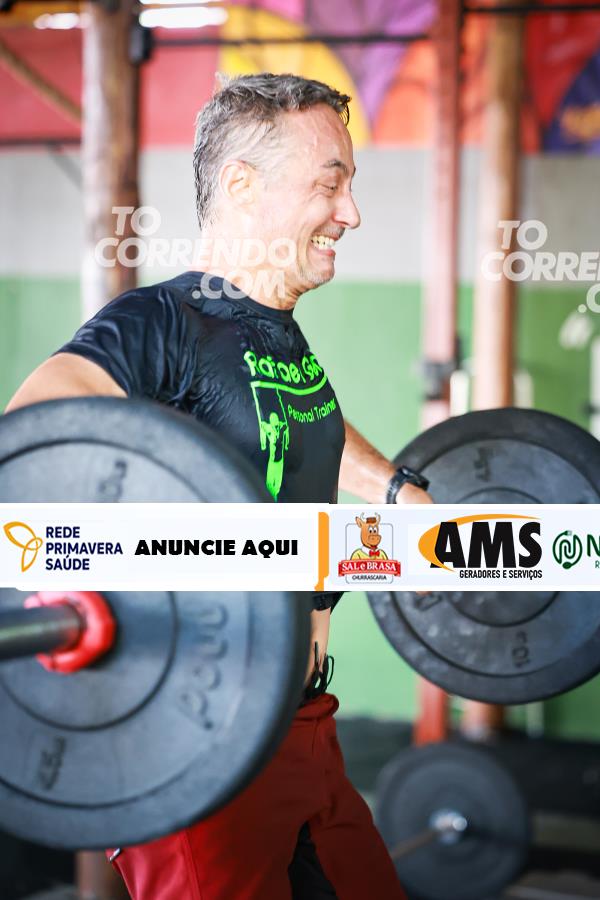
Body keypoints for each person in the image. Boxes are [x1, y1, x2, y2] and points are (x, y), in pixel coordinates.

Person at [6, 73, 432, 899]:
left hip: (304, 726)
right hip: (199, 736)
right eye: (330, 184)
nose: (350, 213)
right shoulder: (161, 322)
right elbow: (36, 439)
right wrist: (169, 549)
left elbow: (308, 424)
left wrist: (397, 494)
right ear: (241, 185)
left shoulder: (273, 335)